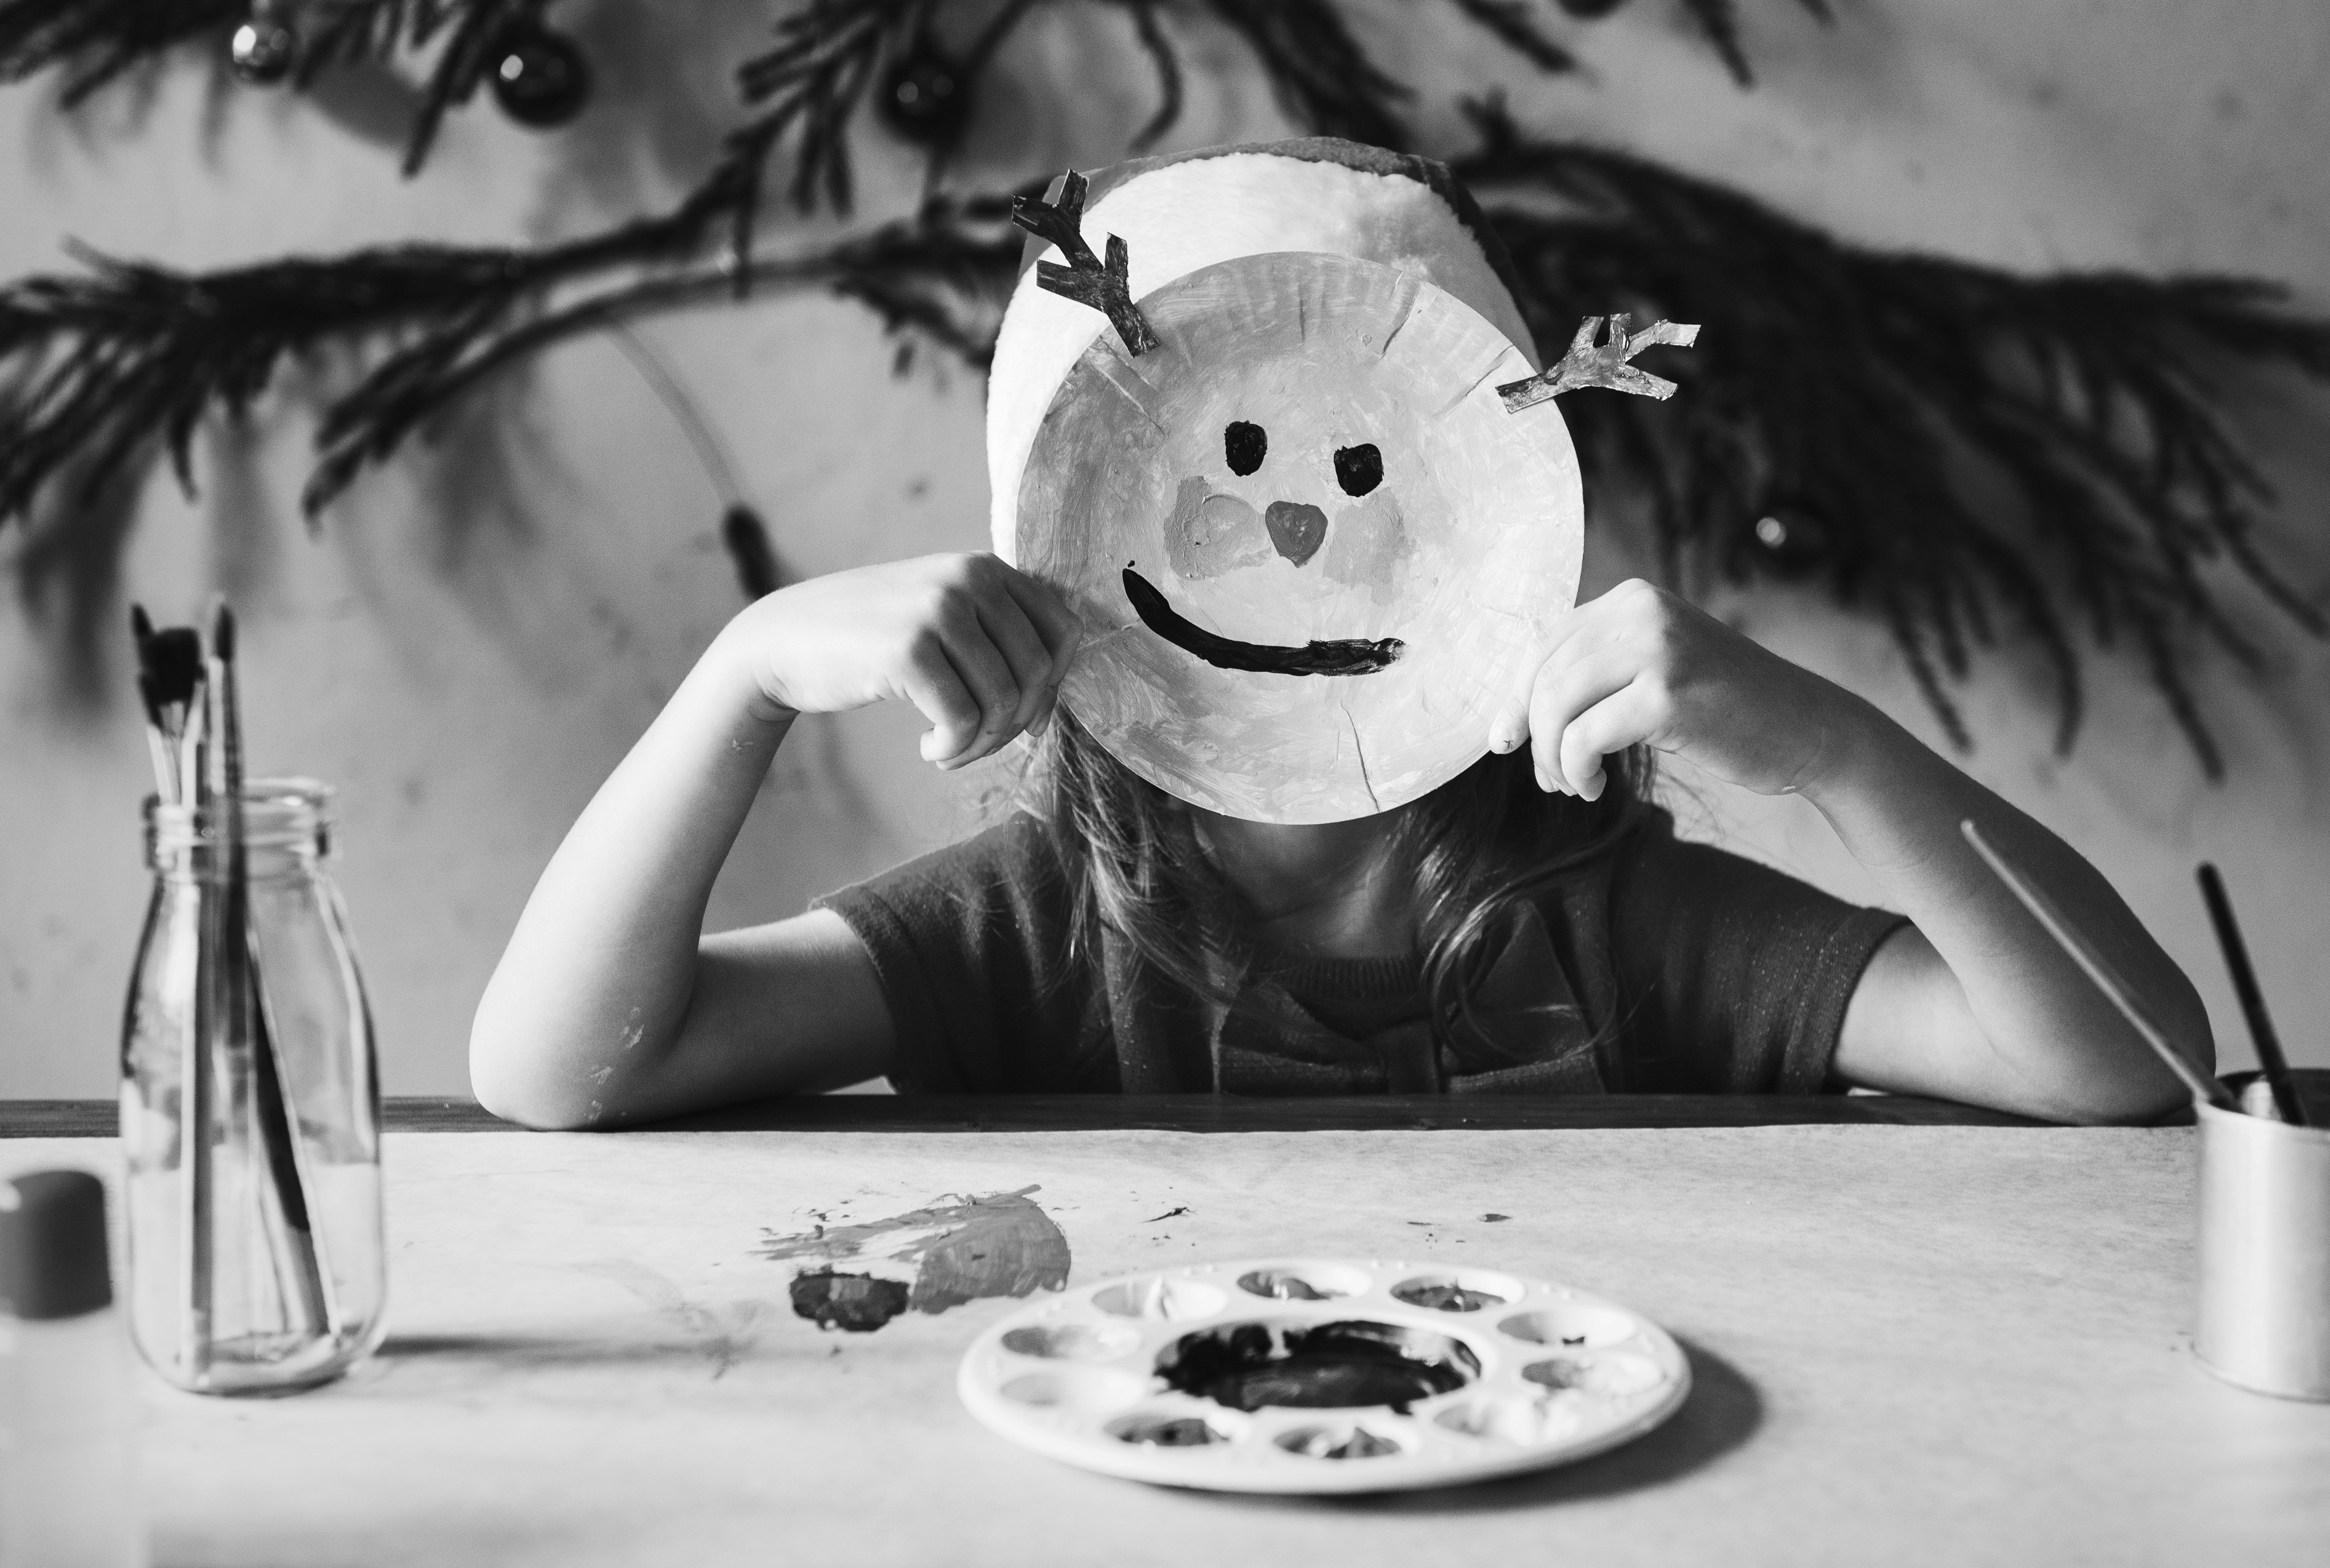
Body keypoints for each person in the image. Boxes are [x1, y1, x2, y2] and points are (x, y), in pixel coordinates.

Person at [469, 139, 2211, 1129]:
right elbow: (556, 1071)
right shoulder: (1052, 928)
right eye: (1221, 481)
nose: (1293, 539)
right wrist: (748, 671)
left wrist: (1837, 749)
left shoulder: (1607, 918)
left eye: (1367, 486)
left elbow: (2134, 1065)